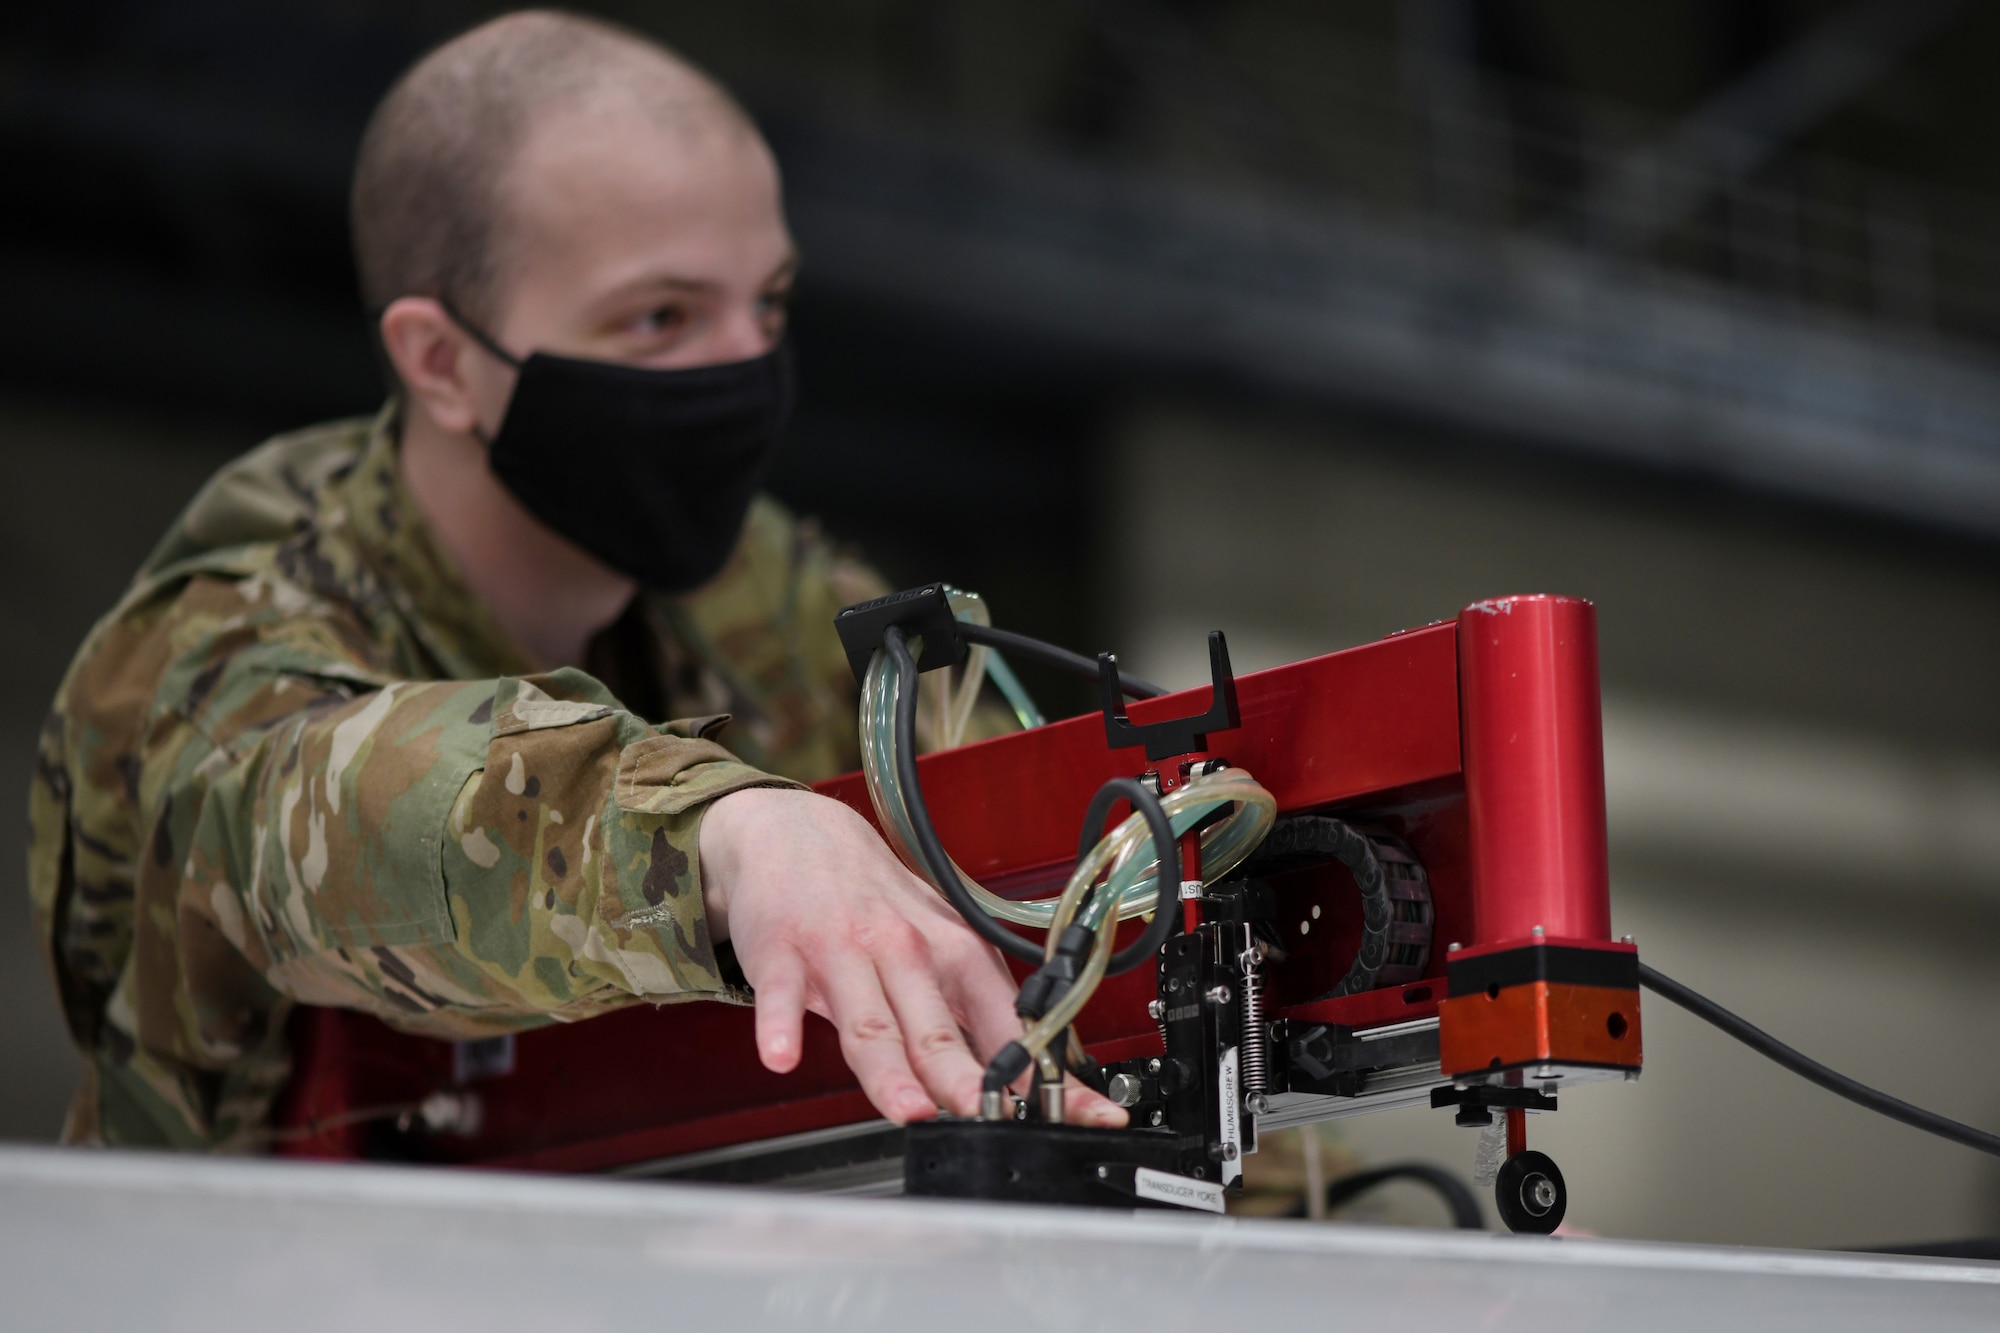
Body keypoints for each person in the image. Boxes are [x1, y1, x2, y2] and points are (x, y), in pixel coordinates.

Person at [26, 9, 1122, 1149]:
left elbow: (1039, 845)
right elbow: (320, 809)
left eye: (769, 303)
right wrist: (725, 833)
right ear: (443, 363)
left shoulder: (768, 595)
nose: (744, 366)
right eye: (659, 316)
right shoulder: (217, 643)